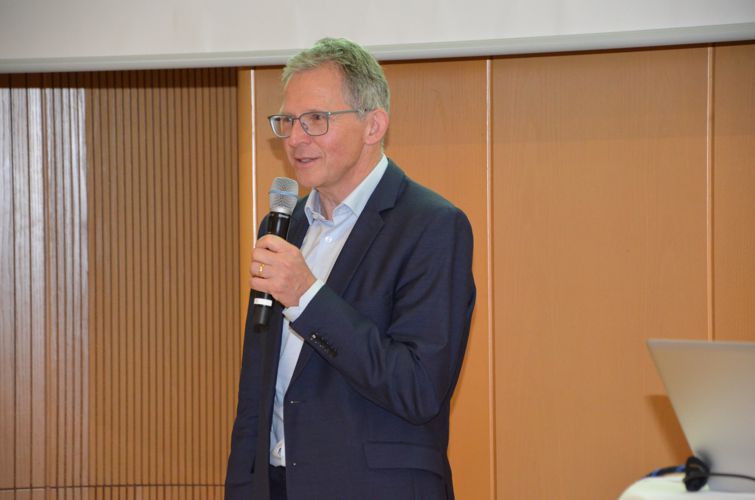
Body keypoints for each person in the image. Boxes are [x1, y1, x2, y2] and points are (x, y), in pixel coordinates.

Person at [225, 37, 476, 500]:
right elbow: (257, 385)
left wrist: (307, 297)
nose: (295, 139)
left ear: (373, 125)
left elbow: (418, 387)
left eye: (316, 120)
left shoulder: (431, 226)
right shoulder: (284, 225)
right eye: (288, 121)